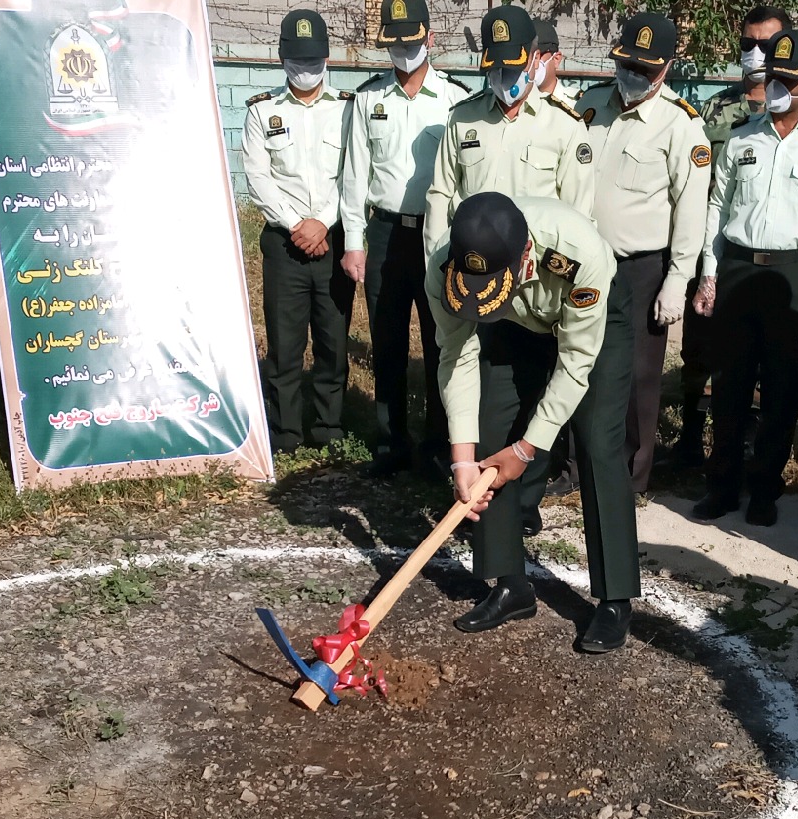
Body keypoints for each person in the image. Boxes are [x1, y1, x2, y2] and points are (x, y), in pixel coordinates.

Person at [431, 192, 638, 654]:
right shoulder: (444, 269)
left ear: (524, 256)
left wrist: (528, 450)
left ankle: (615, 597)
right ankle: (511, 586)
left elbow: (576, 363)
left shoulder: (579, 255)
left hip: (591, 323)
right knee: (491, 433)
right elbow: (456, 357)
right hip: (510, 320)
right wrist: (463, 460)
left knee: (598, 441)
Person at [690, 29, 798, 528]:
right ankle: (722, 485)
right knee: (729, 383)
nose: (777, 87)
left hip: (797, 271)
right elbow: (718, 209)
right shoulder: (743, 136)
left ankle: (765, 486)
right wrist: (709, 273)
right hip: (740, 267)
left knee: (784, 386)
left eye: (788, 79)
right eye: (772, 78)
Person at [577, 13, 710, 494]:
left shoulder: (680, 125)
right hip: (585, 261)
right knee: (579, 360)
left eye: (644, 69)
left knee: (637, 377)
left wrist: (678, 279)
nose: (632, 75)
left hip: (641, 270)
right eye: (627, 64)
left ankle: (630, 475)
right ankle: (580, 463)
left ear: (666, 68)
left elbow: (690, 211)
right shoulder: (591, 106)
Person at [340, 0, 468, 479]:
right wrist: (355, 240)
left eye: (411, 42)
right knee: (387, 341)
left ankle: (438, 444)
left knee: (440, 341)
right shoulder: (369, 98)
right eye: (394, 43)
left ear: (430, 40)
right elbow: (355, 174)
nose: (403, 51)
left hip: (437, 237)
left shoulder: (453, 100)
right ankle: (391, 440)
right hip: (386, 233)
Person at [671, 5, 790, 468]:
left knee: (758, 359)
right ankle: (690, 438)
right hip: (713, 252)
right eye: (747, 44)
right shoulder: (717, 109)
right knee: (699, 348)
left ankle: (747, 442)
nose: (755, 53)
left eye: (766, 45)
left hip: (763, 257)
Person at [241, 10, 353, 457]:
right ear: (282, 57)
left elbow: (353, 173)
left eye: (312, 59)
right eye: (297, 60)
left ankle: (329, 425)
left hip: (333, 239)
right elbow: (258, 177)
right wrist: (297, 225)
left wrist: (322, 222)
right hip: (284, 244)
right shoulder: (261, 110)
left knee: (332, 339)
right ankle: (286, 432)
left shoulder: (347, 109)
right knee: (285, 344)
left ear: (326, 56)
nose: (305, 69)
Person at [424, 5, 593, 263]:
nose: (504, 77)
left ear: (535, 59)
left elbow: (577, 215)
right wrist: (436, 264)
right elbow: (440, 196)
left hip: (535, 273)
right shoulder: (462, 118)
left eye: (513, 68)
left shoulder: (565, 126)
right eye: (496, 68)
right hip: (472, 268)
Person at [533, 20, 576, 102]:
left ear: (556, 59)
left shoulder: (577, 104)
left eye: (536, 57)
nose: (531, 64)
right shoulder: (513, 106)